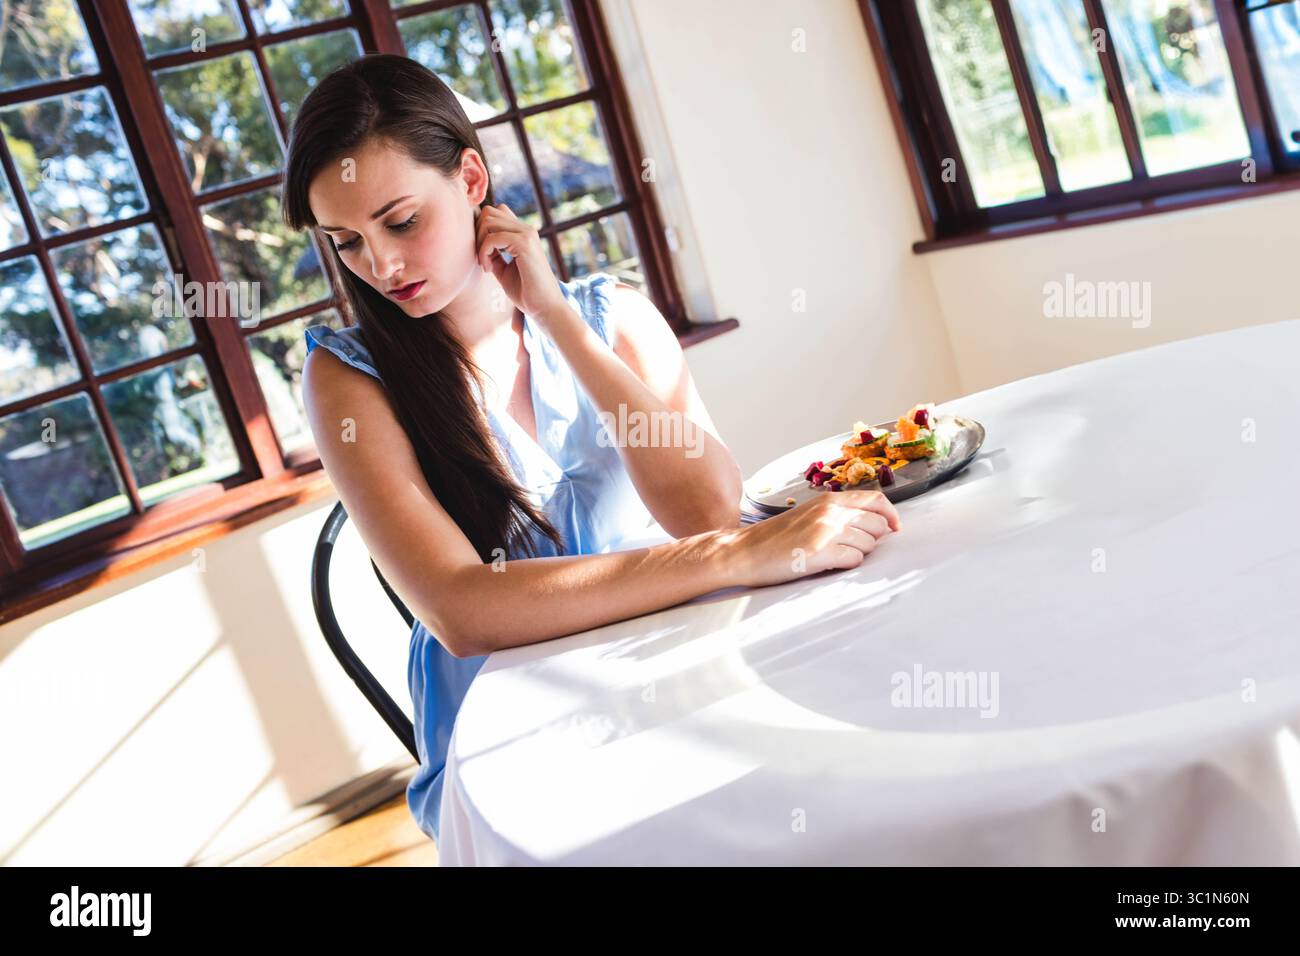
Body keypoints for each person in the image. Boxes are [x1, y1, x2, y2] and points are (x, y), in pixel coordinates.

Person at [280, 54, 900, 845]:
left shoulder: (614, 316)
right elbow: (464, 610)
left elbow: (706, 510)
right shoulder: (347, 380)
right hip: (523, 721)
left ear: (472, 180)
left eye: (401, 222)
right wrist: (733, 558)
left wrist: (554, 318)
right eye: (347, 243)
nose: (383, 267)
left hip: (683, 656)